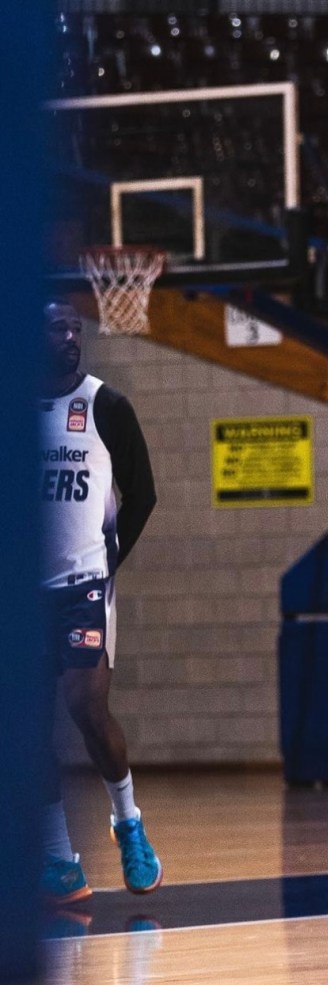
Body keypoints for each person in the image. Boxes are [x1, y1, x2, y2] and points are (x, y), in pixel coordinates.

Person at [39, 300, 162, 905]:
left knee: (86, 707)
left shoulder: (106, 406)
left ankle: (127, 821)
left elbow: (144, 494)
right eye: (56, 327)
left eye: (75, 327)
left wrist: (112, 560)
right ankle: (60, 857)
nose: (69, 336)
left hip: (85, 583)